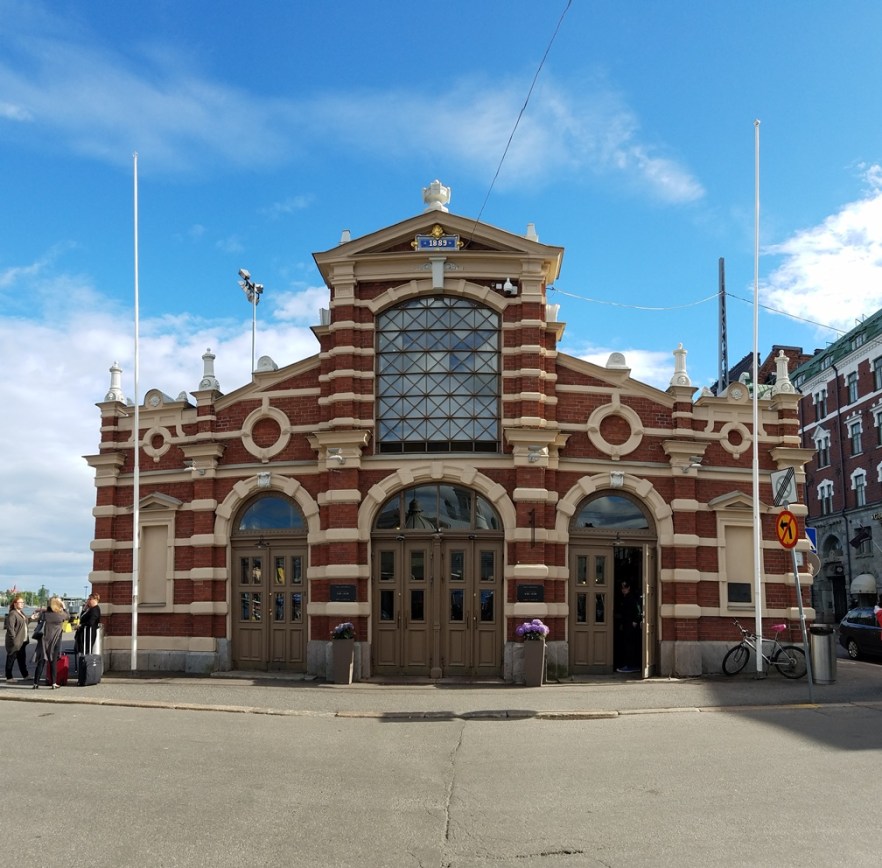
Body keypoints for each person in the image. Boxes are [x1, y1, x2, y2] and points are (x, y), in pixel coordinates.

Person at [32, 596, 68, 689]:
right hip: (55, 640)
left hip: (44, 640)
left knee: (41, 662)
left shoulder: (45, 614)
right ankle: (54, 683)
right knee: (53, 662)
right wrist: (64, 607)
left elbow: (39, 620)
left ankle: (36, 683)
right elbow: (68, 616)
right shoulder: (60, 615)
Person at [4, 595, 36, 682]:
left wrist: (31, 618)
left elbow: (23, 624)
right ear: (15, 604)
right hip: (16, 642)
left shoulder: (21, 613)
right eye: (20, 602)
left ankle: (25, 675)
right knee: (11, 659)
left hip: (22, 641)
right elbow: (10, 628)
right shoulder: (13, 613)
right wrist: (14, 640)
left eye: (23, 602)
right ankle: (9, 677)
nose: (22, 604)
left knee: (22, 659)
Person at [615, 579, 643, 674]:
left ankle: (631, 665)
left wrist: (635, 621)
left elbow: (638, 611)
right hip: (626, 624)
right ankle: (628, 664)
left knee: (630, 645)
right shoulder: (625, 598)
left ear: (629, 588)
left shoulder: (631, 598)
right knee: (626, 644)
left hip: (631, 625)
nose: (623, 589)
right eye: (622, 588)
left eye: (625, 588)